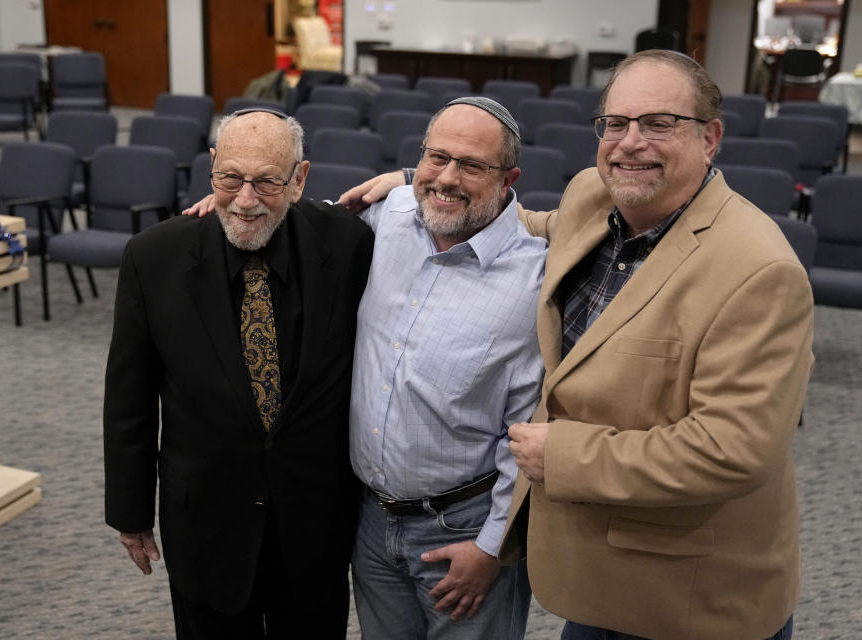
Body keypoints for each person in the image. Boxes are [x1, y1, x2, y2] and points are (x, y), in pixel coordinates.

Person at [342, 51, 813, 640]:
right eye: (615, 123)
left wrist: (563, 457)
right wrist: (424, 183)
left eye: (658, 123)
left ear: (710, 137)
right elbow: (528, 224)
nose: (630, 142)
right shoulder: (600, 195)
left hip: (694, 591)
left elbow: (734, 449)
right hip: (598, 572)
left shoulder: (758, 270)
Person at [187, 97, 547, 639]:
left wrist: (492, 547)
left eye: (471, 165)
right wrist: (241, 200)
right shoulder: (393, 213)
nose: (446, 179)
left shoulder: (534, 285)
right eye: (436, 158)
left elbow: (529, 431)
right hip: (370, 525)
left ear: (508, 178)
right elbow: (295, 211)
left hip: (463, 532)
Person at [103, 108, 374, 639]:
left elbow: (446, 204)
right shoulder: (153, 258)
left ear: (300, 179)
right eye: (230, 178)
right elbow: (128, 398)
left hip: (315, 524)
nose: (246, 200)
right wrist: (129, 512)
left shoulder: (349, 246)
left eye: (267, 181)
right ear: (211, 168)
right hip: (205, 523)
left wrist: (405, 179)